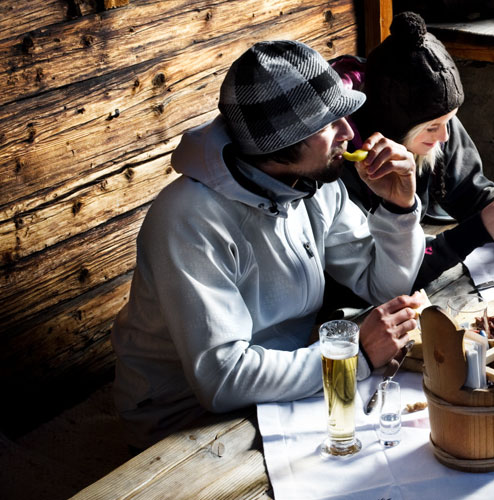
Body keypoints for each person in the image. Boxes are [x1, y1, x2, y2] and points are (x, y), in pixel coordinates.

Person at [111, 40, 426, 449]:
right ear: (280, 143)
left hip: (287, 379)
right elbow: (221, 380)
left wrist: (399, 208)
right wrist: (352, 357)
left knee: (400, 428)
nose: (349, 131)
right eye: (328, 123)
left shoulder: (311, 185)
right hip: (184, 416)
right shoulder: (188, 219)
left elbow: (383, 285)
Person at [337, 12, 494, 290]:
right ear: (394, 128)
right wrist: (475, 232)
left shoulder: (435, 117)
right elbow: (387, 277)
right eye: (433, 127)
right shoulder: (339, 167)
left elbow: (474, 198)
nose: (445, 136)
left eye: (449, 121)